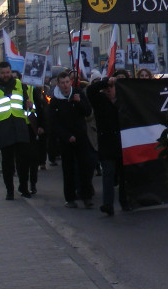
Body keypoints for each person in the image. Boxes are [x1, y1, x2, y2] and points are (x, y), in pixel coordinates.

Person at [0, 62, 33, 200]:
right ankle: (9, 190)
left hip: (20, 127)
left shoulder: (20, 85)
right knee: (7, 163)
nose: (6, 75)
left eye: (8, 72)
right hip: (4, 129)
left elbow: (25, 106)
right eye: (3, 73)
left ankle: (24, 187)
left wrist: (29, 104)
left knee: (23, 162)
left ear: (11, 72)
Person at [47, 69, 95, 208]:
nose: (65, 85)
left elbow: (88, 111)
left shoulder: (78, 93)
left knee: (84, 167)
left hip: (81, 137)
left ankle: (86, 196)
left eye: (67, 82)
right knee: (68, 170)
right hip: (66, 139)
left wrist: (79, 102)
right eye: (62, 83)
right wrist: (66, 136)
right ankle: (70, 198)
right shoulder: (55, 101)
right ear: (58, 84)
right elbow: (53, 123)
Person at [86, 73, 123, 215]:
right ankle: (108, 204)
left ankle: (125, 202)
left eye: (112, 87)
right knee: (108, 174)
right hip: (107, 143)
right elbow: (90, 90)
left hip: (122, 143)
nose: (109, 89)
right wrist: (106, 81)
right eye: (107, 87)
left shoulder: (123, 100)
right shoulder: (100, 100)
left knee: (123, 176)